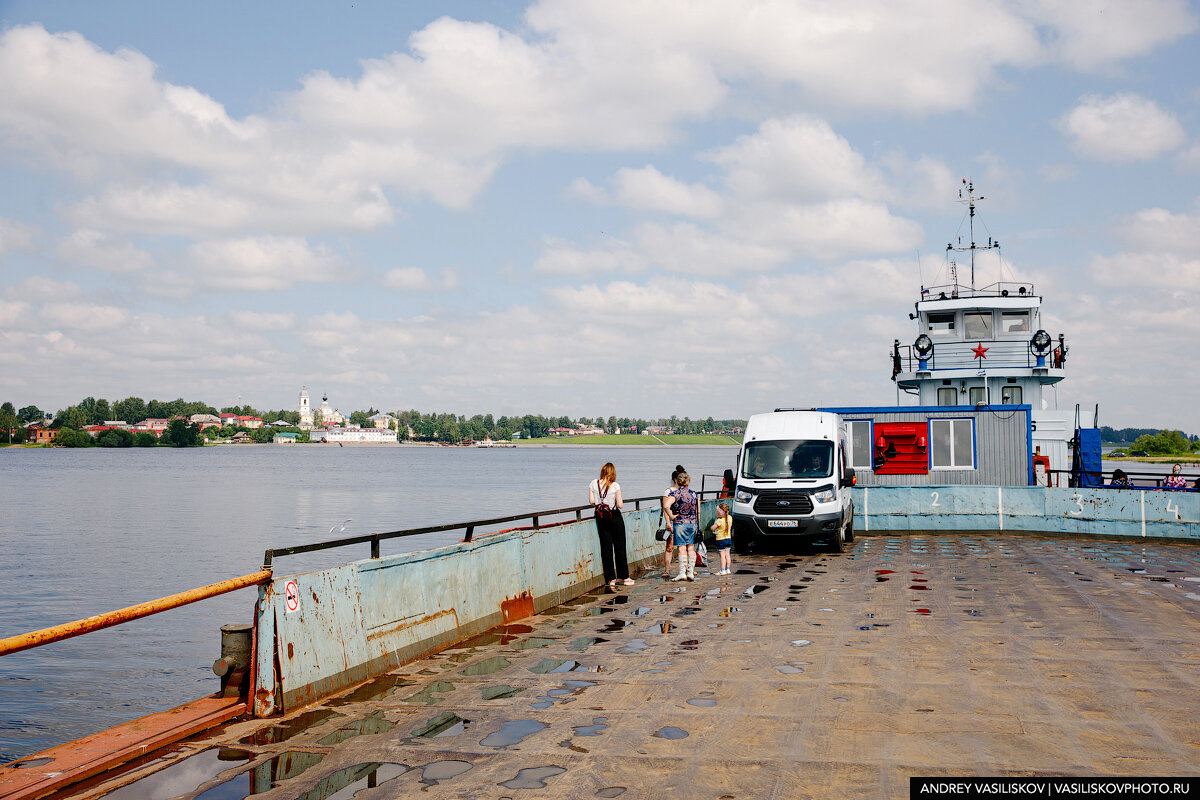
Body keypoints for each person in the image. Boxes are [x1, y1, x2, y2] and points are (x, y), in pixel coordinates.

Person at [589, 462, 632, 587]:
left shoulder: (593, 483)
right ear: (612, 473)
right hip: (614, 517)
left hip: (601, 517)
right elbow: (620, 505)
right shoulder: (615, 485)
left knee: (606, 548)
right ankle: (624, 577)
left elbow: (592, 501)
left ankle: (610, 579)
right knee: (620, 547)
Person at [666, 470, 699, 582]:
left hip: (680, 523)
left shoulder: (675, 494)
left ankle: (682, 573)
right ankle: (690, 573)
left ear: (678, 482)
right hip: (692, 523)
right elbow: (698, 510)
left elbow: (666, 505)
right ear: (687, 482)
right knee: (691, 547)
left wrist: (671, 515)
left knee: (681, 548)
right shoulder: (694, 494)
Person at [661, 465, 684, 579]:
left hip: (684, 522)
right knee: (670, 547)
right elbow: (665, 509)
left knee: (684, 547)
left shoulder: (685, 491)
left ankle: (685, 570)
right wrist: (668, 522)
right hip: (673, 521)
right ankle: (667, 570)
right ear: (676, 479)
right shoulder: (669, 491)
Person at [710, 502, 733, 575]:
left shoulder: (719, 520)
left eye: (718, 512)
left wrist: (715, 521)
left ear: (721, 512)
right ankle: (728, 569)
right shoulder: (730, 518)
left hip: (721, 539)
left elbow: (712, 528)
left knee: (722, 556)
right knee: (727, 555)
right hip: (728, 538)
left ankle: (722, 570)